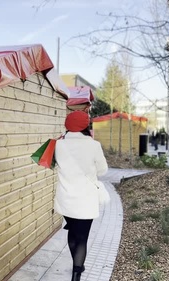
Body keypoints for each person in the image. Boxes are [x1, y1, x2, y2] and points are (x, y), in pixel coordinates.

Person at [54, 111, 109, 281]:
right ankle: (76, 274)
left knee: (73, 232)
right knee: (82, 237)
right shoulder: (93, 145)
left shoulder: (58, 145)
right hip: (86, 200)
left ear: (67, 125)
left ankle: (78, 266)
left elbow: (53, 164)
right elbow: (103, 170)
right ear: (86, 125)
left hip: (66, 198)